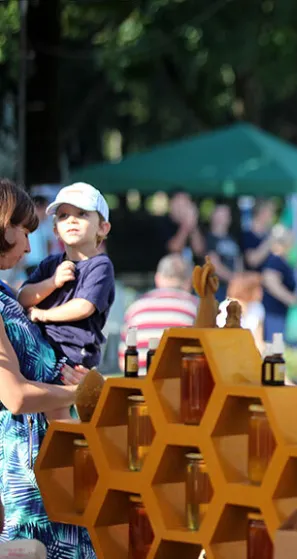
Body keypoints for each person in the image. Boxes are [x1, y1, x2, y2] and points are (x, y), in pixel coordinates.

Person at [0, 178, 95, 557]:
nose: (28, 245)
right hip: (24, 470)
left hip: (46, 456)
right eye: (23, 230)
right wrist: (78, 393)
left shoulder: (7, 292)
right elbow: (16, 396)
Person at [18, 182, 115, 369]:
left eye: (82, 214)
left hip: (75, 355)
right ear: (55, 231)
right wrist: (52, 282)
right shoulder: (50, 264)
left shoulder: (100, 266)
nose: (71, 220)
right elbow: (23, 297)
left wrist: (44, 315)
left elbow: (84, 306)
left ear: (102, 228)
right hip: (42, 347)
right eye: (63, 216)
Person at [118, 254, 198, 371]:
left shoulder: (135, 308)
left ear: (158, 278)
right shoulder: (197, 307)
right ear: (189, 282)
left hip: (140, 384)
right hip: (181, 384)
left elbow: (123, 362)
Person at [260, 225, 297, 344]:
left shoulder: (282, 260)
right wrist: (290, 299)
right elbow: (270, 282)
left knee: (276, 347)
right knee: (273, 348)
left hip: (279, 313)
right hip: (273, 312)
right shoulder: (275, 260)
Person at [205, 203, 242, 301]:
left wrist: (240, 280)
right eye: (220, 214)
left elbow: (238, 261)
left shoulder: (233, 239)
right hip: (215, 290)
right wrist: (235, 279)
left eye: (225, 215)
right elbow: (214, 265)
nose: (222, 218)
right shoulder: (208, 238)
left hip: (232, 290)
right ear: (212, 216)